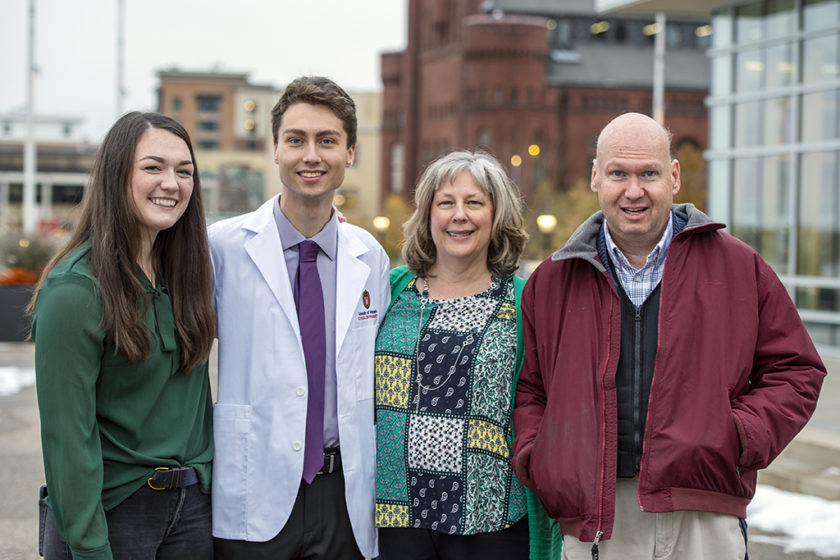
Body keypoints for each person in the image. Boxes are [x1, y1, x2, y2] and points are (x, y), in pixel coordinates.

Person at [512, 112, 826, 560]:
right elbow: (533, 389)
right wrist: (541, 456)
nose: (633, 190)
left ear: (674, 177)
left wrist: (737, 435)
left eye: (649, 174)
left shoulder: (738, 267)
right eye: (619, 173)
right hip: (598, 520)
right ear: (596, 177)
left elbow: (797, 369)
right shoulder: (552, 281)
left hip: (704, 516)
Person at [209, 76, 390, 560]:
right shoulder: (223, 249)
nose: (311, 155)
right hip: (254, 485)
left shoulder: (369, 257)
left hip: (342, 492)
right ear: (274, 149)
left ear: (350, 153)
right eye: (296, 140)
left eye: (327, 141)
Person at [30, 111, 216, 559]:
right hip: (112, 514)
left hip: (191, 513)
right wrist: (90, 548)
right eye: (153, 167)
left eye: (184, 171)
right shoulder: (75, 290)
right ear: (117, 175)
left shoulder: (188, 275)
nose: (171, 183)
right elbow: (67, 440)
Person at [375, 150, 561, 560]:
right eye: (446, 202)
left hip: (491, 521)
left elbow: (544, 401)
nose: (460, 215)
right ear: (428, 215)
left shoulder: (525, 302)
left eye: (474, 202)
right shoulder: (388, 291)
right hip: (395, 513)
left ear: (496, 216)